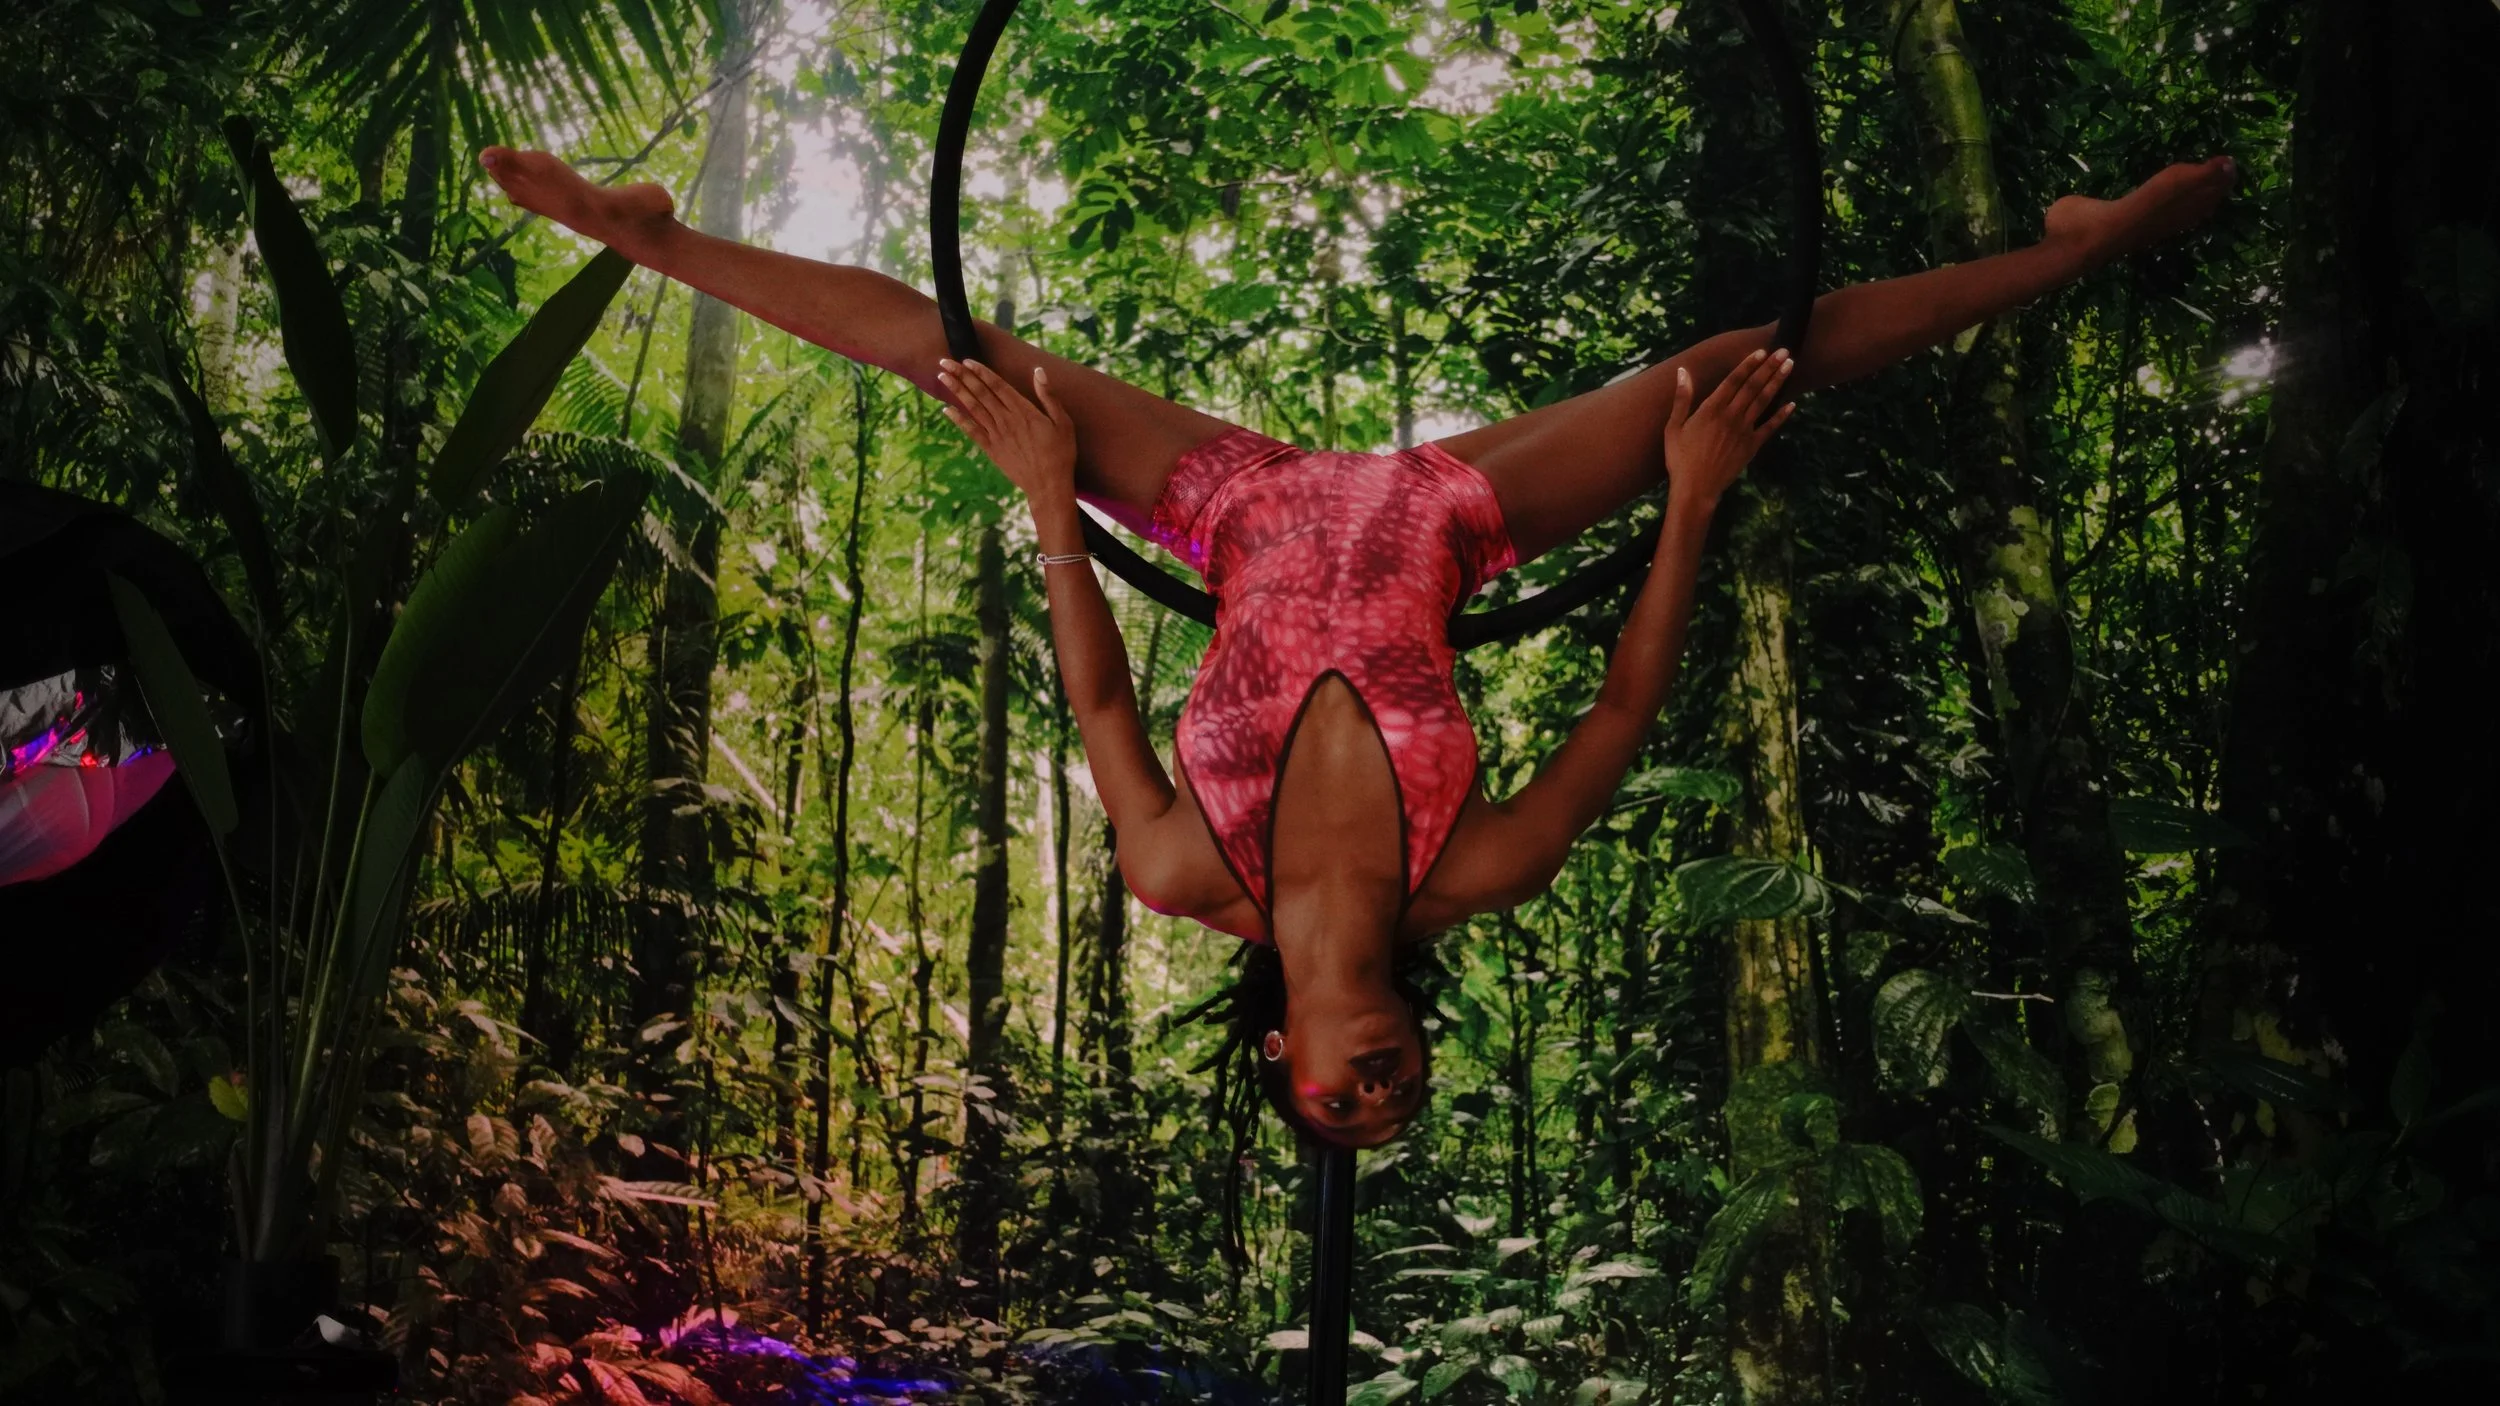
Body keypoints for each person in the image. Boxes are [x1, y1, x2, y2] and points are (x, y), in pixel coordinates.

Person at [479, 143, 2233, 1150]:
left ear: (1284, 1062)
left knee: (973, 358)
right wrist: (1689, 498)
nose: (1375, 1103)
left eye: (1341, 1113)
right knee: (1738, 364)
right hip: (1440, 512)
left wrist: (1044, 496)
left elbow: (1095, 689)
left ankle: (655, 239)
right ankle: (2068, 256)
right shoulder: (1481, 865)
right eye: (1398, 1115)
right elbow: (1626, 700)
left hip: (1239, 508)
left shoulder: (1187, 873)